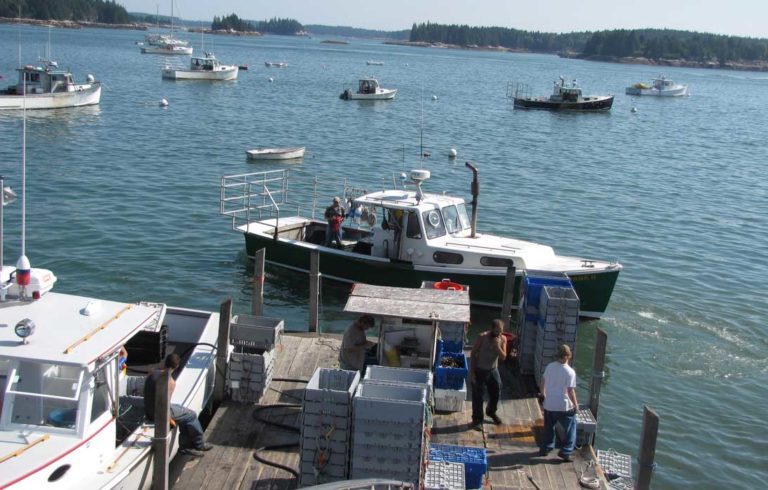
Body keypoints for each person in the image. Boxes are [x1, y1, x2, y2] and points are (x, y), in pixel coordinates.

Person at [145, 353, 213, 457]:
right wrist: (170, 420)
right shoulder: (170, 382)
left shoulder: (152, 373)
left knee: (182, 410)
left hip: (149, 411)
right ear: (177, 366)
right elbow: (166, 406)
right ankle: (197, 444)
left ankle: (187, 445)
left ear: (165, 362)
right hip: (159, 414)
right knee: (191, 415)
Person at [539, 344, 579, 462]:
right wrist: (575, 405)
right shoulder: (570, 372)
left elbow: (543, 383)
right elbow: (570, 391)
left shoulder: (550, 367)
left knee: (549, 427)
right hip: (563, 405)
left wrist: (543, 395)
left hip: (549, 404)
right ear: (568, 356)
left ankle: (546, 448)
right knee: (571, 427)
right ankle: (566, 451)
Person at [470, 319, 507, 430]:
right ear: (491, 329)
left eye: (501, 331)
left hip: (493, 370)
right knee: (478, 396)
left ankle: (491, 411)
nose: (499, 334)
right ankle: (477, 419)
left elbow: (503, 357)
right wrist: (472, 372)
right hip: (480, 369)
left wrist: (498, 346)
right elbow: (473, 354)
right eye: (497, 331)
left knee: (497, 391)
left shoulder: (503, 339)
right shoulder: (482, 337)